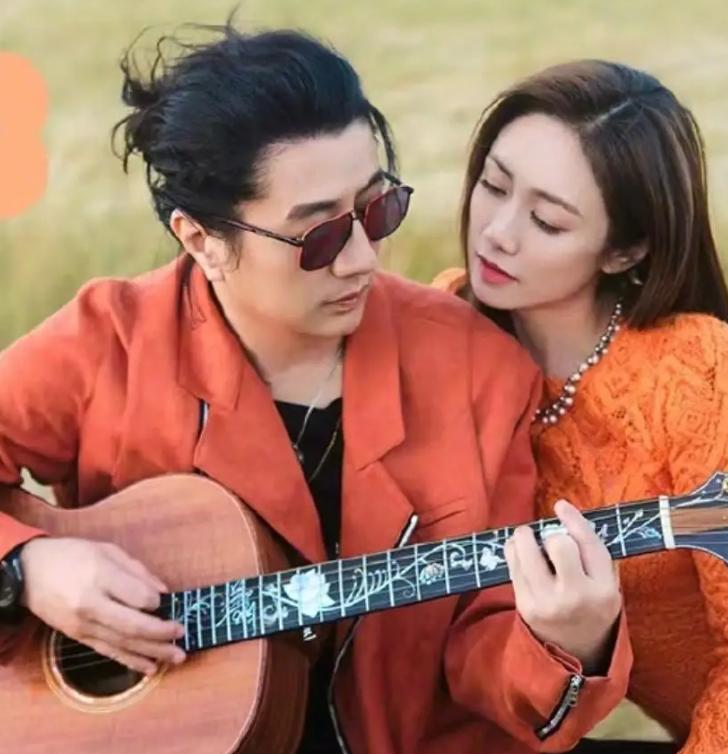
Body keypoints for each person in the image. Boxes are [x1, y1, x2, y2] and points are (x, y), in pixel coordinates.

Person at [0, 27, 631, 754]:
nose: (363, 259)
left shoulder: (476, 369)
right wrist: (27, 567)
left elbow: (483, 647)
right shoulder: (105, 343)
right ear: (201, 240)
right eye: (321, 237)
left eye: (377, 209)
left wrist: (568, 643)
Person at [434, 59, 728, 754]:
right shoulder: (446, 321)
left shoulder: (693, 366)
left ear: (624, 250)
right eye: (493, 185)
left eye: (547, 221)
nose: (497, 232)